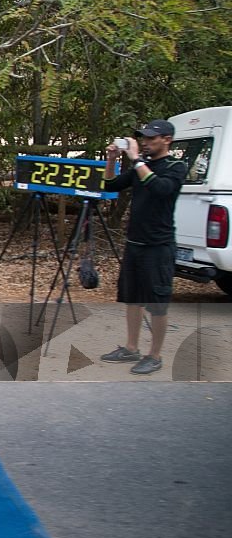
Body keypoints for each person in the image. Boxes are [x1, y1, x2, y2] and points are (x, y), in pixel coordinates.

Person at [100, 119, 187, 375]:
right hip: (134, 244)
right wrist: (112, 159)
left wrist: (136, 158)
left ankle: (155, 355)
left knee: (157, 304)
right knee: (132, 300)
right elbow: (110, 185)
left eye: (151, 138)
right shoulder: (143, 166)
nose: (146, 142)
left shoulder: (175, 166)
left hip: (158, 247)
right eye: (144, 138)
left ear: (167, 140)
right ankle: (130, 348)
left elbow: (161, 189)